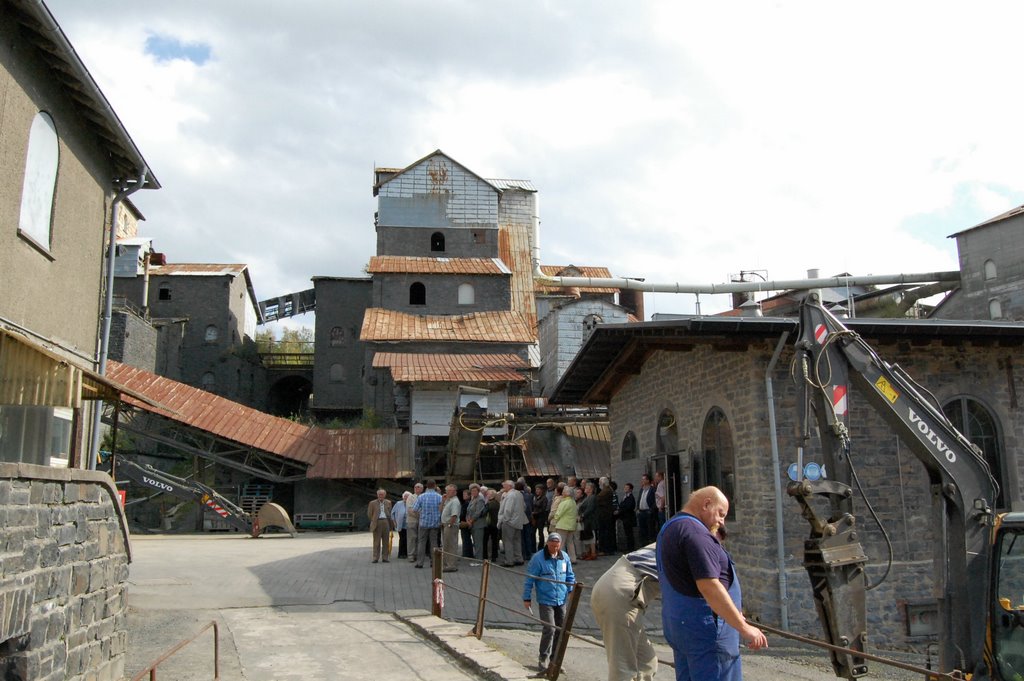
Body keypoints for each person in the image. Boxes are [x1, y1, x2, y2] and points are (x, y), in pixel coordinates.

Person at [657, 486, 767, 680]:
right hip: (706, 632)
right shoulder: (697, 534)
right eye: (721, 513)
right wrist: (744, 628)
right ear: (707, 504)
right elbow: (709, 586)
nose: (721, 521)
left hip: (681, 626)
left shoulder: (671, 527)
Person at [591, 542, 660, 681]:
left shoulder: (686, 533)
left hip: (617, 588)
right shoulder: (695, 539)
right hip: (620, 594)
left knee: (646, 664)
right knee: (623, 671)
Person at [523, 532, 576, 672]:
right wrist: (526, 598)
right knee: (550, 629)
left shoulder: (564, 557)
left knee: (561, 629)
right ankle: (543, 658)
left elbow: (570, 575)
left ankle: (555, 660)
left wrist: (571, 590)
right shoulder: (538, 559)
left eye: (557, 546)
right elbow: (529, 580)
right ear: (547, 544)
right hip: (546, 600)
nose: (555, 549)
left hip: (561, 599)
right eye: (552, 546)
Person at [413, 479, 443, 569]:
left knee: (421, 543)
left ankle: (420, 563)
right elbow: (442, 509)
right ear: (435, 486)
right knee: (433, 543)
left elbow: (414, 509)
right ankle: (433, 562)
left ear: (426, 486)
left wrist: (421, 516)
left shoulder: (421, 497)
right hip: (435, 523)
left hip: (423, 523)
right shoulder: (439, 497)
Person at [498, 479, 526, 567]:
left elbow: (507, 510)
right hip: (518, 522)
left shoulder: (510, 495)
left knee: (508, 542)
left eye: (504, 485)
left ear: (509, 486)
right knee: (517, 541)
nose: (503, 486)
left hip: (509, 522)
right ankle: (519, 558)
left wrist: (505, 520)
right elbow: (524, 506)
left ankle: (509, 561)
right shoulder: (519, 494)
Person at [551, 485, 578, 562]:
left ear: (567, 493)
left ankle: (560, 558)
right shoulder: (573, 502)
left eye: (563, 491)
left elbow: (559, 513)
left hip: (563, 525)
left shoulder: (565, 502)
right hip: (571, 525)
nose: (562, 492)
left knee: (561, 543)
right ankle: (573, 558)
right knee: (570, 543)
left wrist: (554, 519)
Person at [367, 489, 394, 563]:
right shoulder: (372, 503)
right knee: (376, 541)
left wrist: (391, 524)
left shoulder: (388, 502)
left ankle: (385, 557)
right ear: (377, 495)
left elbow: (390, 513)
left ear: (385, 495)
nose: (381, 496)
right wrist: (374, 520)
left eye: (382, 494)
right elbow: (369, 514)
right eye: (379, 494)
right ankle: (375, 557)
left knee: (386, 541)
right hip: (377, 522)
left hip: (386, 522)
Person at [441, 483, 461, 572]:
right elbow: (440, 510)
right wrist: (443, 501)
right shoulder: (449, 501)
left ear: (454, 492)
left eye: (448, 491)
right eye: (447, 491)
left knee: (451, 545)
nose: (447, 493)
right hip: (446, 525)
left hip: (451, 526)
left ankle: (451, 565)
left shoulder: (455, 502)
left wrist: (449, 524)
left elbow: (454, 515)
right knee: (446, 545)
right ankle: (446, 563)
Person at [596, 476, 616, 555]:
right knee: (606, 532)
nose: (599, 484)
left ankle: (605, 549)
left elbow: (598, 499)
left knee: (605, 533)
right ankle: (606, 549)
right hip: (605, 514)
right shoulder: (607, 490)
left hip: (605, 515)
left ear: (603, 483)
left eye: (600, 483)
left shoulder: (606, 491)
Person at [467, 484, 488, 560]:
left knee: (478, 543)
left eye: (475, 491)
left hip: (478, 524)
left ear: (478, 491)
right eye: (472, 491)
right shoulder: (473, 499)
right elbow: (469, 511)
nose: (473, 492)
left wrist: (471, 520)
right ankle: (477, 558)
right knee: (475, 542)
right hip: (472, 524)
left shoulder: (480, 499)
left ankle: (479, 560)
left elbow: (478, 512)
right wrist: (468, 520)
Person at [578, 481, 598, 561]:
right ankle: (588, 552)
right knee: (587, 537)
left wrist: (582, 515)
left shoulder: (592, 497)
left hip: (590, 520)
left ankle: (593, 553)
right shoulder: (587, 497)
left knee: (591, 537)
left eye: (587, 488)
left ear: (591, 489)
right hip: (586, 520)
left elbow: (590, 508)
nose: (585, 489)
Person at [616, 482, 637, 553]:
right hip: (625, 517)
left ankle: (631, 548)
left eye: (627, 488)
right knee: (627, 533)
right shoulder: (625, 496)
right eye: (625, 487)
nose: (625, 489)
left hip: (628, 518)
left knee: (629, 533)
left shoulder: (630, 497)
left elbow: (628, 507)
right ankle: (628, 547)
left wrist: (620, 511)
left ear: (630, 489)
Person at [406, 482, 423, 563]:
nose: (417, 488)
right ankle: (411, 555)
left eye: (419, 487)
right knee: (412, 538)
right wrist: (419, 516)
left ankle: (418, 555)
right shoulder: (410, 497)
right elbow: (410, 510)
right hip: (412, 521)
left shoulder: (424, 497)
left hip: (422, 521)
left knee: (420, 538)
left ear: (422, 489)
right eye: (415, 487)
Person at [637, 474, 656, 545]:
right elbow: (639, 499)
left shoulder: (652, 489)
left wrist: (651, 510)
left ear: (648, 480)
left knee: (650, 529)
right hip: (641, 512)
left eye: (644, 479)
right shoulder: (642, 489)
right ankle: (643, 543)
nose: (642, 480)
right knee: (642, 530)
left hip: (648, 512)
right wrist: (638, 509)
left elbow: (655, 501)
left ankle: (650, 543)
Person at [391, 491, 410, 559]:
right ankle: (401, 554)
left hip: (408, 525)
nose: (406, 498)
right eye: (405, 496)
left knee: (407, 539)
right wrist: (394, 522)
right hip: (400, 524)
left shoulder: (411, 503)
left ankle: (406, 553)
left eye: (407, 496)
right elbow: (392, 513)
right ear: (403, 497)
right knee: (402, 539)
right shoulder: (398, 503)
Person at [484, 487, 501, 561]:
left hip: (490, 524)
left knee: (486, 540)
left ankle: (486, 556)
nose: (486, 495)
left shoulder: (490, 503)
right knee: (494, 541)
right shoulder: (497, 503)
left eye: (488, 494)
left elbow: (484, 512)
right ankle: (494, 556)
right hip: (495, 524)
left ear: (492, 495)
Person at [532, 483, 550, 549]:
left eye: (538, 489)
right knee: (533, 532)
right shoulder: (535, 497)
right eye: (536, 489)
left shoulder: (544, 498)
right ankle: (533, 547)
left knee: (540, 533)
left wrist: (535, 512)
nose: (537, 491)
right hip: (534, 518)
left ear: (542, 490)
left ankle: (541, 546)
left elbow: (543, 509)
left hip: (541, 517)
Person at [459, 488, 474, 558]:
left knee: (465, 538)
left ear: (469, 495)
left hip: (465, 522)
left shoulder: (467, 504)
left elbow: (464, 513)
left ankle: (466, 553)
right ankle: (468, 552)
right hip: (466, 521)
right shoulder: (467, 503)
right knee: (466, 538)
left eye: (465, 494)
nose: (463, 496)